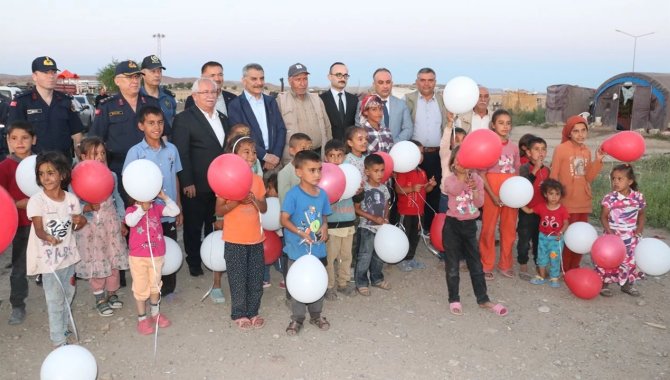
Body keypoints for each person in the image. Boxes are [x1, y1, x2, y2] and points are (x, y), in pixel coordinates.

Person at [26, 151, 87, 347]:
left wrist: (81, 220)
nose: (46, 177)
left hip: (68, 258)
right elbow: (38, 229)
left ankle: (63, 327)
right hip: (48, 263)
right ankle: (58, 340)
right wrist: (47, 237)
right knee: (54, 300)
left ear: (62, 174)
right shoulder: (37, 201)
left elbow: (79, 223)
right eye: (41, 173)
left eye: (51, 172)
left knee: (68, 295)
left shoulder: (71, 200)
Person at [172, 78, 229, 281]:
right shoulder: (184, 119)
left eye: (213, 92)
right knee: (194, 227)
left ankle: (214, 258)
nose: (210, 96)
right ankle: (194, 262)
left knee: (215, 224)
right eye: (205, 92)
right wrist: (187, 181)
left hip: (220, 185)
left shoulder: (222, 118)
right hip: (195, 185)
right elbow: (181, 152)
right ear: (194, 96)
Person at [442, 146, 508, 317]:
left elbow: (479, 204)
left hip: (470, 225)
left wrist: (473, 190)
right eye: (457, 160)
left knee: (476, 265)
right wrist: (463, 178)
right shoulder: (449, 180)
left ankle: (483, 299)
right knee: (452, 265)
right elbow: (455, 191)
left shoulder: (477, 179)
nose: (460, 163)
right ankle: (454, 298)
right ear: (453, 163)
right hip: (452, 226)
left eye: (464, 161)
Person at [124, 106, 182, 296]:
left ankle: (168, 287)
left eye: (160, 122)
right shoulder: (135, 152)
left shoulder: (172, 149)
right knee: (149, 251)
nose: (156, 127)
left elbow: (175, 178)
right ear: (141, 126)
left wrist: (179, 206)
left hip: (168, 210)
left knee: (168, 246)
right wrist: (139, 208)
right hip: (148, 215)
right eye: (151, 123)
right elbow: (129, 183)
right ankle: (148, 287)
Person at [90, 60, 167, 202]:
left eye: (137, 77)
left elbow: (165, 135)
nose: (135, 81)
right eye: (129, 77)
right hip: (120, 168)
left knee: (153, 212)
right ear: (117, 81)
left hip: (151, 167)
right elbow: (95, 140)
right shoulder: (108, 106)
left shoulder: (151, 103)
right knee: (126, 212)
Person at [215, 135, 268, 330]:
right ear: (234, 155)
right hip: (234, 239)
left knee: (255, 278)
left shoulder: (258, 180)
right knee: (238, 278)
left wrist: (254, 199)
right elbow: (219, 210)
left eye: (253, 152)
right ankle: (239, 313)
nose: (252, 156)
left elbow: (263, 209)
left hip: (255, 238)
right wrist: (237, 200)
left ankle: (253, 311)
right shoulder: (226, 180)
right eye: (246, 151)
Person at [74, 137, 128, 317]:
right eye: (94, 154)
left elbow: (118, 199)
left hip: (110, 225)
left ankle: (112, 293)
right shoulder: (76, 177)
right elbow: (72, 204)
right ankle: (99, 298)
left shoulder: (111, 175)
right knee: (96, 262)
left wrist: (122, 220)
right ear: (83, 157)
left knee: (113, 260)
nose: (100, 157)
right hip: (90, 229)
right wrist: (86, 207)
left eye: (102, 153)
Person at [281, 150, 332, 335]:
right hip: (297, 250)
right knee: (298, 284)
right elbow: (284, 219)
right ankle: (297, 318)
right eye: (312, 170)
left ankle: (317, 315)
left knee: (317, 281)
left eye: (319, 170)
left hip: (317, 249)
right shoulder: (293, 195)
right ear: (298, 172)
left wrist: (325, 225)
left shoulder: (323, 194)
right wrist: (300, 232)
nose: (317, 174)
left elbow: (324, 215)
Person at [550, 115, 604, 271]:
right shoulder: (561, 149)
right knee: (567, 237)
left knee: (581, 237)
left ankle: (574, 267)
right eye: (576, 131)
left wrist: (598, 160)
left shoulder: (586, 151)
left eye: (583, 131)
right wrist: (553, 201)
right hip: (567, 202)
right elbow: (553, 176)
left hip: (583, 203)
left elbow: (588, 177)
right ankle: (562, 269)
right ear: (569, 133)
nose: (580, 135)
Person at [125, 190, 180, 335]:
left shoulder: (157, 207)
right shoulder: (131, 210)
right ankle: (142, 319)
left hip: (156, 256)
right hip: (138, 257)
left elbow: (175, 211)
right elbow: (130, 221)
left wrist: (165, 197)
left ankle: (155, 314)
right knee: (141, 287)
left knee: (155, 286)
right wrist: (141, 209)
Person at [7, 56, 84, 158]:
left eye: (53, 72)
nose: (51, 76)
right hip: (33, 164)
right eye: (45, 72)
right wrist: (16, 164)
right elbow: (11, 137)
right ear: (34, 76)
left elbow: (76, 134)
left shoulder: (65, 101)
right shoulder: (22, 102)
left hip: (62, 164)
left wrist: (81, 162)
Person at [405, 68, 450, 233]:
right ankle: (412, 227)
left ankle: (430, 227)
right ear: (417, 82)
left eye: (430, 80)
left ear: (435, 82)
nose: (426, 83)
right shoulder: (408, 100)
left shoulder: (443, 101)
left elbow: (447, 126)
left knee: (434, 190)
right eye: (422, 80)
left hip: (437, 154)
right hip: (414, 156)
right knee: (414, 189)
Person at [1, 121, 36, 325]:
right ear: (8, 141)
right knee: (20, 266)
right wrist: (17, 204)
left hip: (45, 222)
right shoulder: (5, 167)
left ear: (34, 139)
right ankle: (17, 304)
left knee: (52, 262)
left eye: (24, 137)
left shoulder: (42, 162)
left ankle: (58, 300)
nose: (20, 142)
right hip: (21, 225)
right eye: (14, 138)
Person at [479, 110, 520, 280]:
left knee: (509, 229)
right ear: (493, 125)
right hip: (492, 190)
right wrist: (493, 195)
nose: (505, 126)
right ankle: (486, 264)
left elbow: (516, 171)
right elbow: (481, 173)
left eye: (508, 123)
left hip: (511, 191)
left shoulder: (514, 147)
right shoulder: (488, 146)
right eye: (501, 122)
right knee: (488, 228)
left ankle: (505, 263)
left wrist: (516, 194)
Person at [597, 164, 646, 297]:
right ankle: (604, 284)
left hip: (630, 235)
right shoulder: (610, 198)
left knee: (629, 261)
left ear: (630, 181)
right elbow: (603, 217)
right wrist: (610, 233)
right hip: (613, 234)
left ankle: (627, 285)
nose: (615, 182)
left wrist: (639, 229)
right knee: (608, 259)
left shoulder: (638, 197)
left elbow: (641, 214)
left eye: (620, 179)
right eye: (613, 179)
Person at [228, 63, 287, 173]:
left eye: (261, 78)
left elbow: (281, 129)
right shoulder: (235, 106)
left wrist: (275, 156)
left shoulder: (271, 101)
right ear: (244, 80)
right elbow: (239, 137)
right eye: (254, 79)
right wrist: (264, 156)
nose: (259, 83)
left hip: (275, 163)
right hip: (251, 165)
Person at [395, 140, 437, 272]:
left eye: (422, 153)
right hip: (405, 212)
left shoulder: (422, 172)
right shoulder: (403, 171)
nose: (421, 156)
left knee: (415, 235)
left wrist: (430, 185)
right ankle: (401, 259)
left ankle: (410, 258)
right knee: (404, 236)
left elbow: (426, 190)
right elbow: (398, 189)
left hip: (419, 212)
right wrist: (412, 188)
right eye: (417, 153)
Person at [277, 63, 332, 164]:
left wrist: (329, 151)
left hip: (319, 153)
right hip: (296, 158)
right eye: (298, 79)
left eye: (305, 79)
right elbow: (277, 131)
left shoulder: (316, 99)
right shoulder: (281, 101)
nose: (303, 83)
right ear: (290, 81)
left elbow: (327, 126)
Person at [323, 139, 357, 300]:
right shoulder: (324, 176)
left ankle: (343, 282)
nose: (336, 159)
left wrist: (359, 192)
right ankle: (329, 286)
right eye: (332, 156)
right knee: (330, 258)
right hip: (332, 225)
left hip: (349, 221)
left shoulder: (349, 173)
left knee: (346, 256)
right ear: (326, 158)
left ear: (344, 156)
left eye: (340, 155)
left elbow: (357, 198)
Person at [354, 154, 391, 296]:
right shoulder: (362, 189)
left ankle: (377, 278)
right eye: (376, 171)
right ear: (367, 171)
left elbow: (386, 205)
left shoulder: (384, 188)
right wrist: (373, 218)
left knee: (379, 255)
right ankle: (361, 282)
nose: (380, 174)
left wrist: (385, 218)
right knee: (365, 255)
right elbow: (357, 209)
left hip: (381, 228)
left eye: (382, 170)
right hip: (366, 228)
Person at [522, 179, 569, 288]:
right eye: (551, 194)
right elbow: (529, 211)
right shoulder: (541, 206)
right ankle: (541, 276)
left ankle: (554, 277)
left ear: (561, 195)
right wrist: (519, 203)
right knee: (541, 257)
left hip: (556, 240)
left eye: (557, 194)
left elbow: (566, 223)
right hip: (543, 238)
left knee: (554, 258)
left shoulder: (562, 209)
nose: (554, 197)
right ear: (545, 194)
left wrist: (561, 232)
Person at [516, 136, 549, 280]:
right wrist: (534, 170)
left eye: (543, 149)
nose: (540, 153)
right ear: (528, 153)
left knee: (539, 240)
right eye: (536, 149)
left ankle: (538, 263)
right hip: (526, 211)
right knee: (524, 239)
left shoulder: (548, 170)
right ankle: (523, 264)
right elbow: (523, 187)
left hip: (541, 212)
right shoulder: (524, 168)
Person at [356, 68, 413, 142]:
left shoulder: (401, 104)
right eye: (381, 82)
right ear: (374, 84)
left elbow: (408, 129)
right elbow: (359, 129)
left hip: (396, 150)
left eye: (388, 82)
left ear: (392, 83)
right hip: (372, 151)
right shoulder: (363, 104)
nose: (385, 86)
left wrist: (393, 145)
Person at [319, 62, 358, 141]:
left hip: (350, 148)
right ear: (329, 77)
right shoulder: (321, 100)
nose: (343, 78)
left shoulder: (354, 99)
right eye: (338, 75)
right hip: (330, 148)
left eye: (345, 75)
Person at [140, 55, 177, 125]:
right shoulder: (137, 97)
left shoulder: (168, 97)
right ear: (142, 74)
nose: (157, 75)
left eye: (159, 71)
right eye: (153, 71)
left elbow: (174, 121)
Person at [278, 133, 313, 204]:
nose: (307, 151)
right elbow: (285, 201)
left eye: (310, 148)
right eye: (303, 148)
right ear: (291, 151)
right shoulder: (285, 173)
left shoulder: (314, 168)